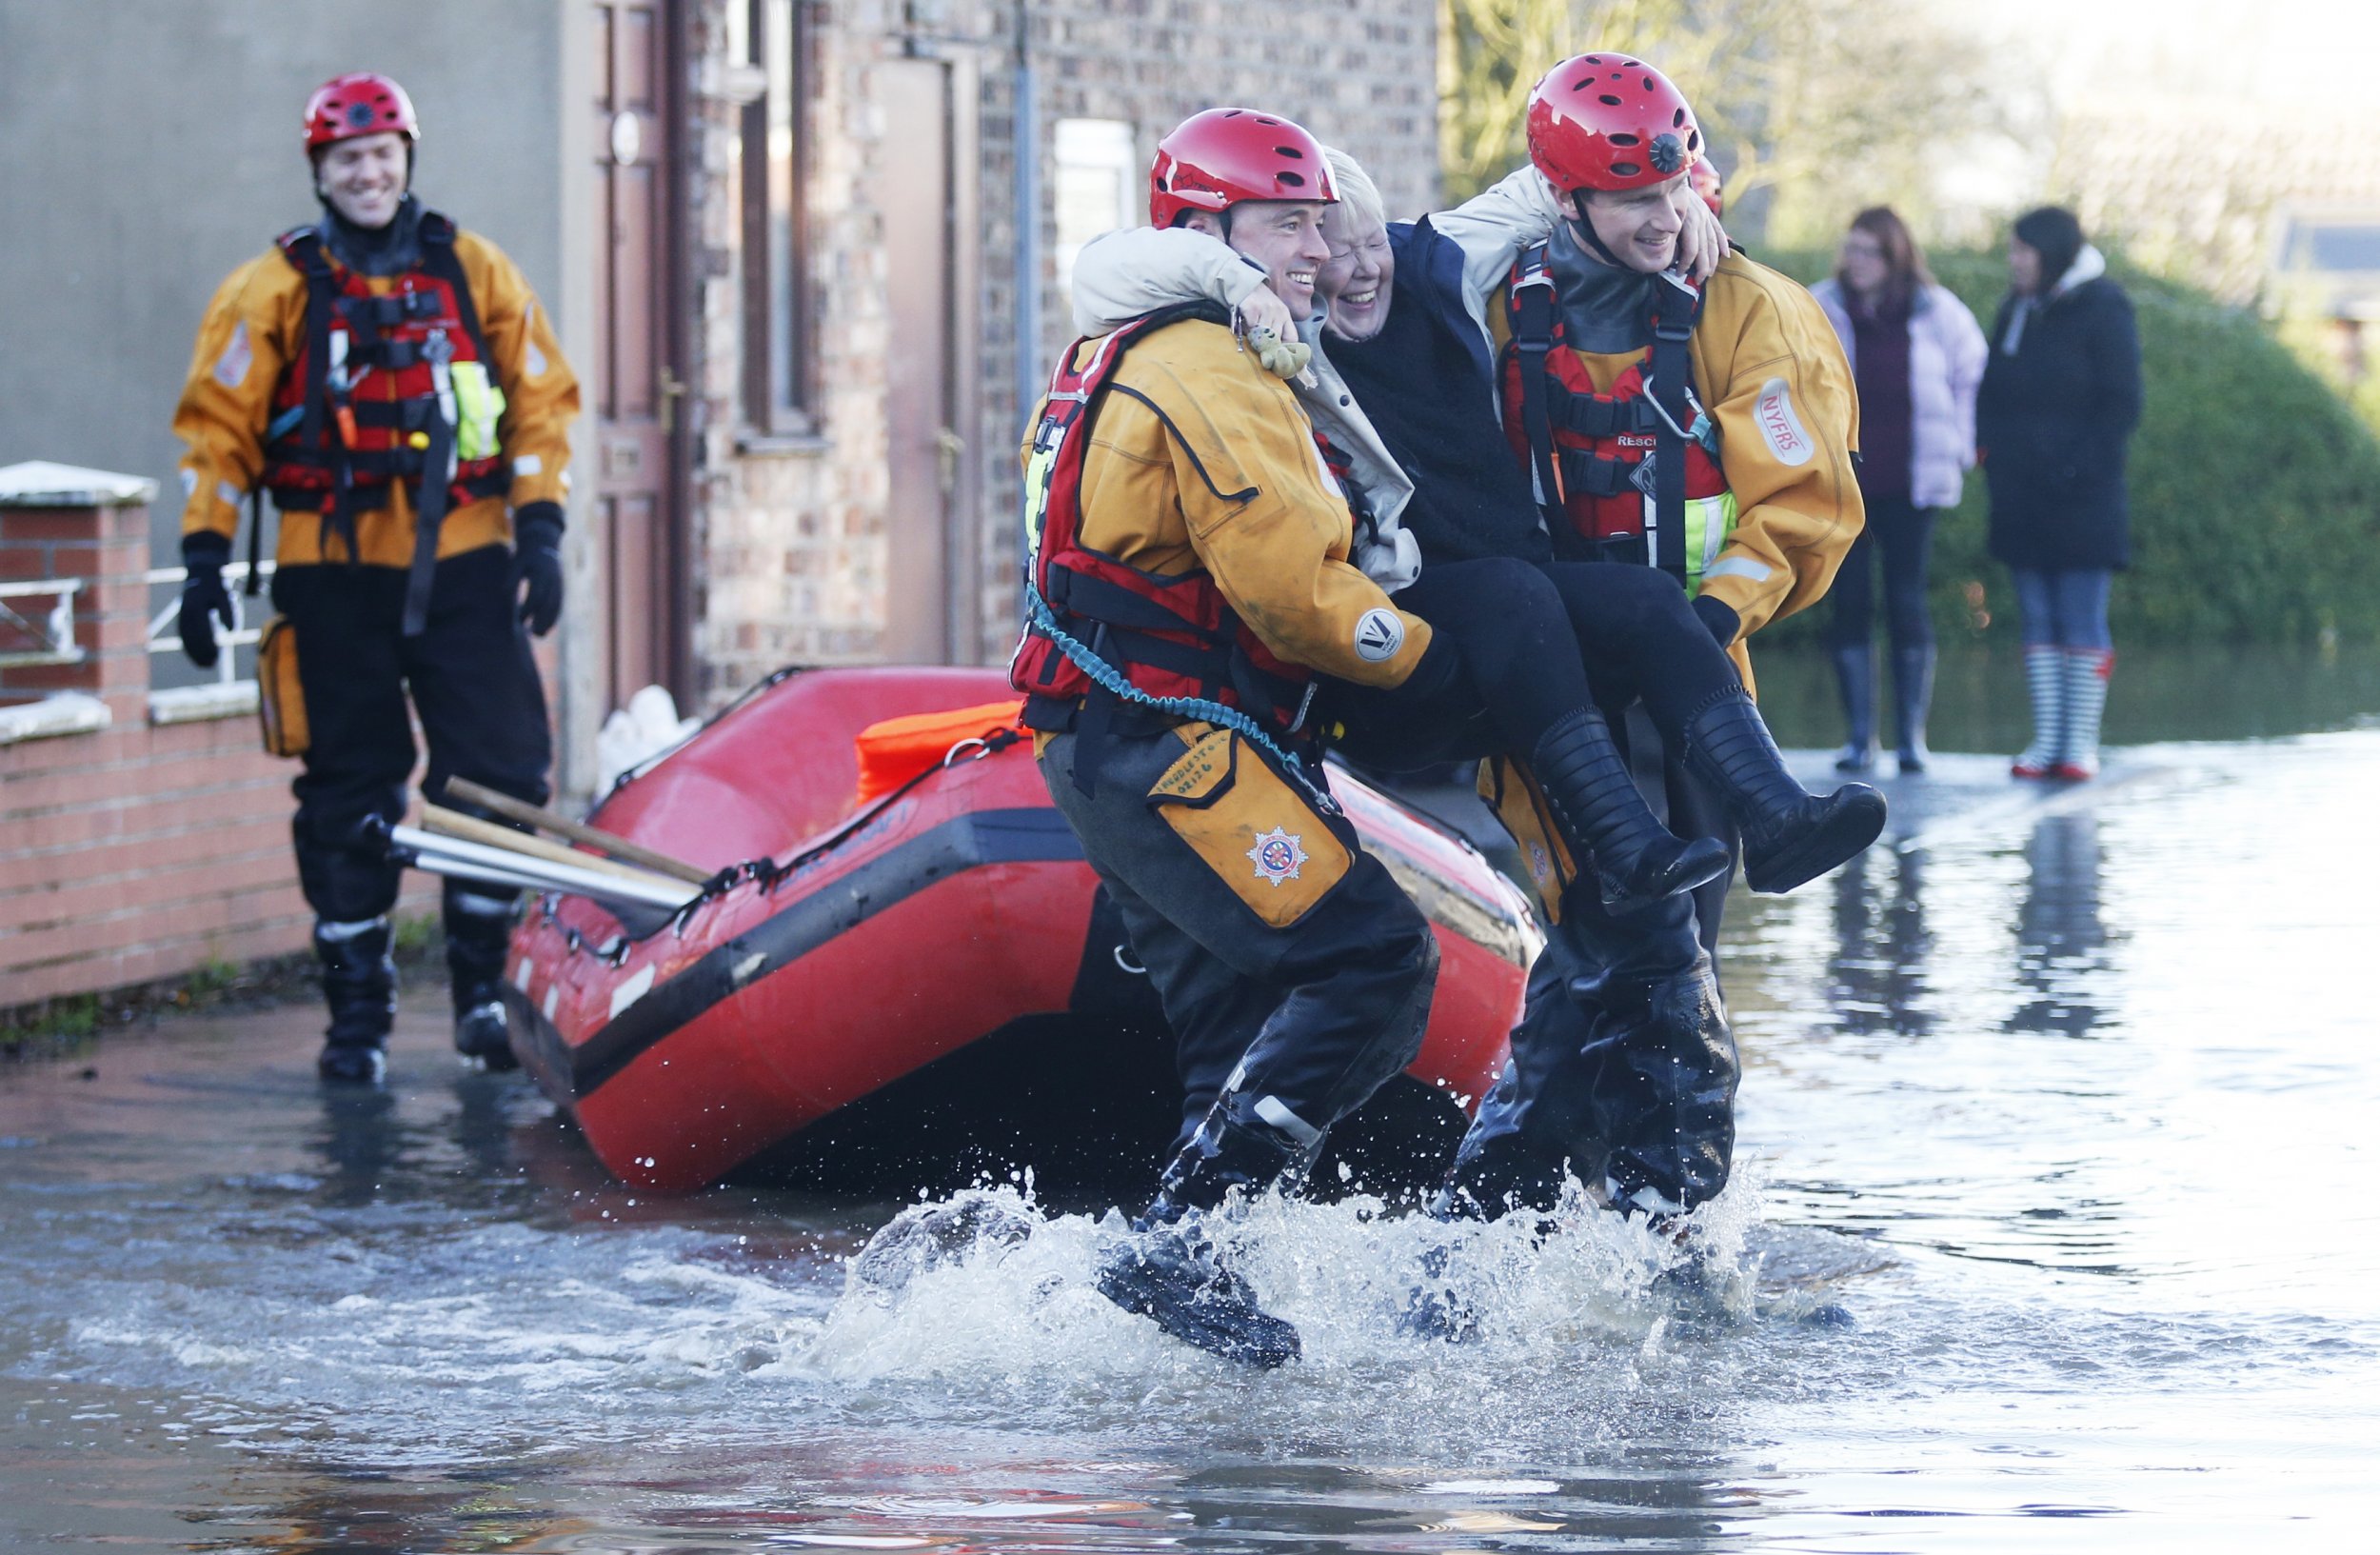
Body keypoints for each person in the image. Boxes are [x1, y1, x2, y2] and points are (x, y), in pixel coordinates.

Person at [1069, 57, 1874, 1236]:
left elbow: (1803, 505)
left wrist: (1684, 198)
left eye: (1356, 236)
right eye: (1310, 244)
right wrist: (1227, 274)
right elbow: (1107, 268)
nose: (1347, 264)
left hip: (1657, 662)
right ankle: (1651, 1246)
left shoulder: (1452, 263)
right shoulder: (1271, 337)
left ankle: (1503, 1234)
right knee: (1634, 957)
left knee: (1621, 952)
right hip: (1480, 658)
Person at [170, 73, 579, 1085]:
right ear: (320, 171)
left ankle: (481, 997)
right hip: (332, 572)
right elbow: (215, 433)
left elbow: (541, 402)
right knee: (346, 792)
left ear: (407, 160)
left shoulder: (473, 270)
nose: (368, 172)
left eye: (383, 155)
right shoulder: (270, 290)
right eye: (347, 158)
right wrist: (204, 558)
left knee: (500, 777)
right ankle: (358, 1017)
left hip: (467, 559)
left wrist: (540, 532)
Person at [1811, 208, 1987, 774]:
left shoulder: (1938, 312)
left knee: (1907, 601)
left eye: (1869, 251)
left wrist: (1961, 447)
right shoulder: (1821, 304)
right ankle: (1861, 739)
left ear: (1895, 257)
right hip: (1845, 480)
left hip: (1914, 480)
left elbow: (1971, 378)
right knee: (1850, 602)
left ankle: (1912, 736)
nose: (1856, 261)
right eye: (1851, 248)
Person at [1977, 206, 2140, 781]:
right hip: (2021, 492)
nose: (2014, 261)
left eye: (2023, 250)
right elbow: (1992, 390)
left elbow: (2122, 402)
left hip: (2085, 496)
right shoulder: (2015, 309)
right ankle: (2047, 742)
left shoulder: (2104, 306)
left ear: (2052, 253)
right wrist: (1991, 454)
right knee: (2037, 616)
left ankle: (2080, 745)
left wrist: (2078, 469)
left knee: (2081, 615)